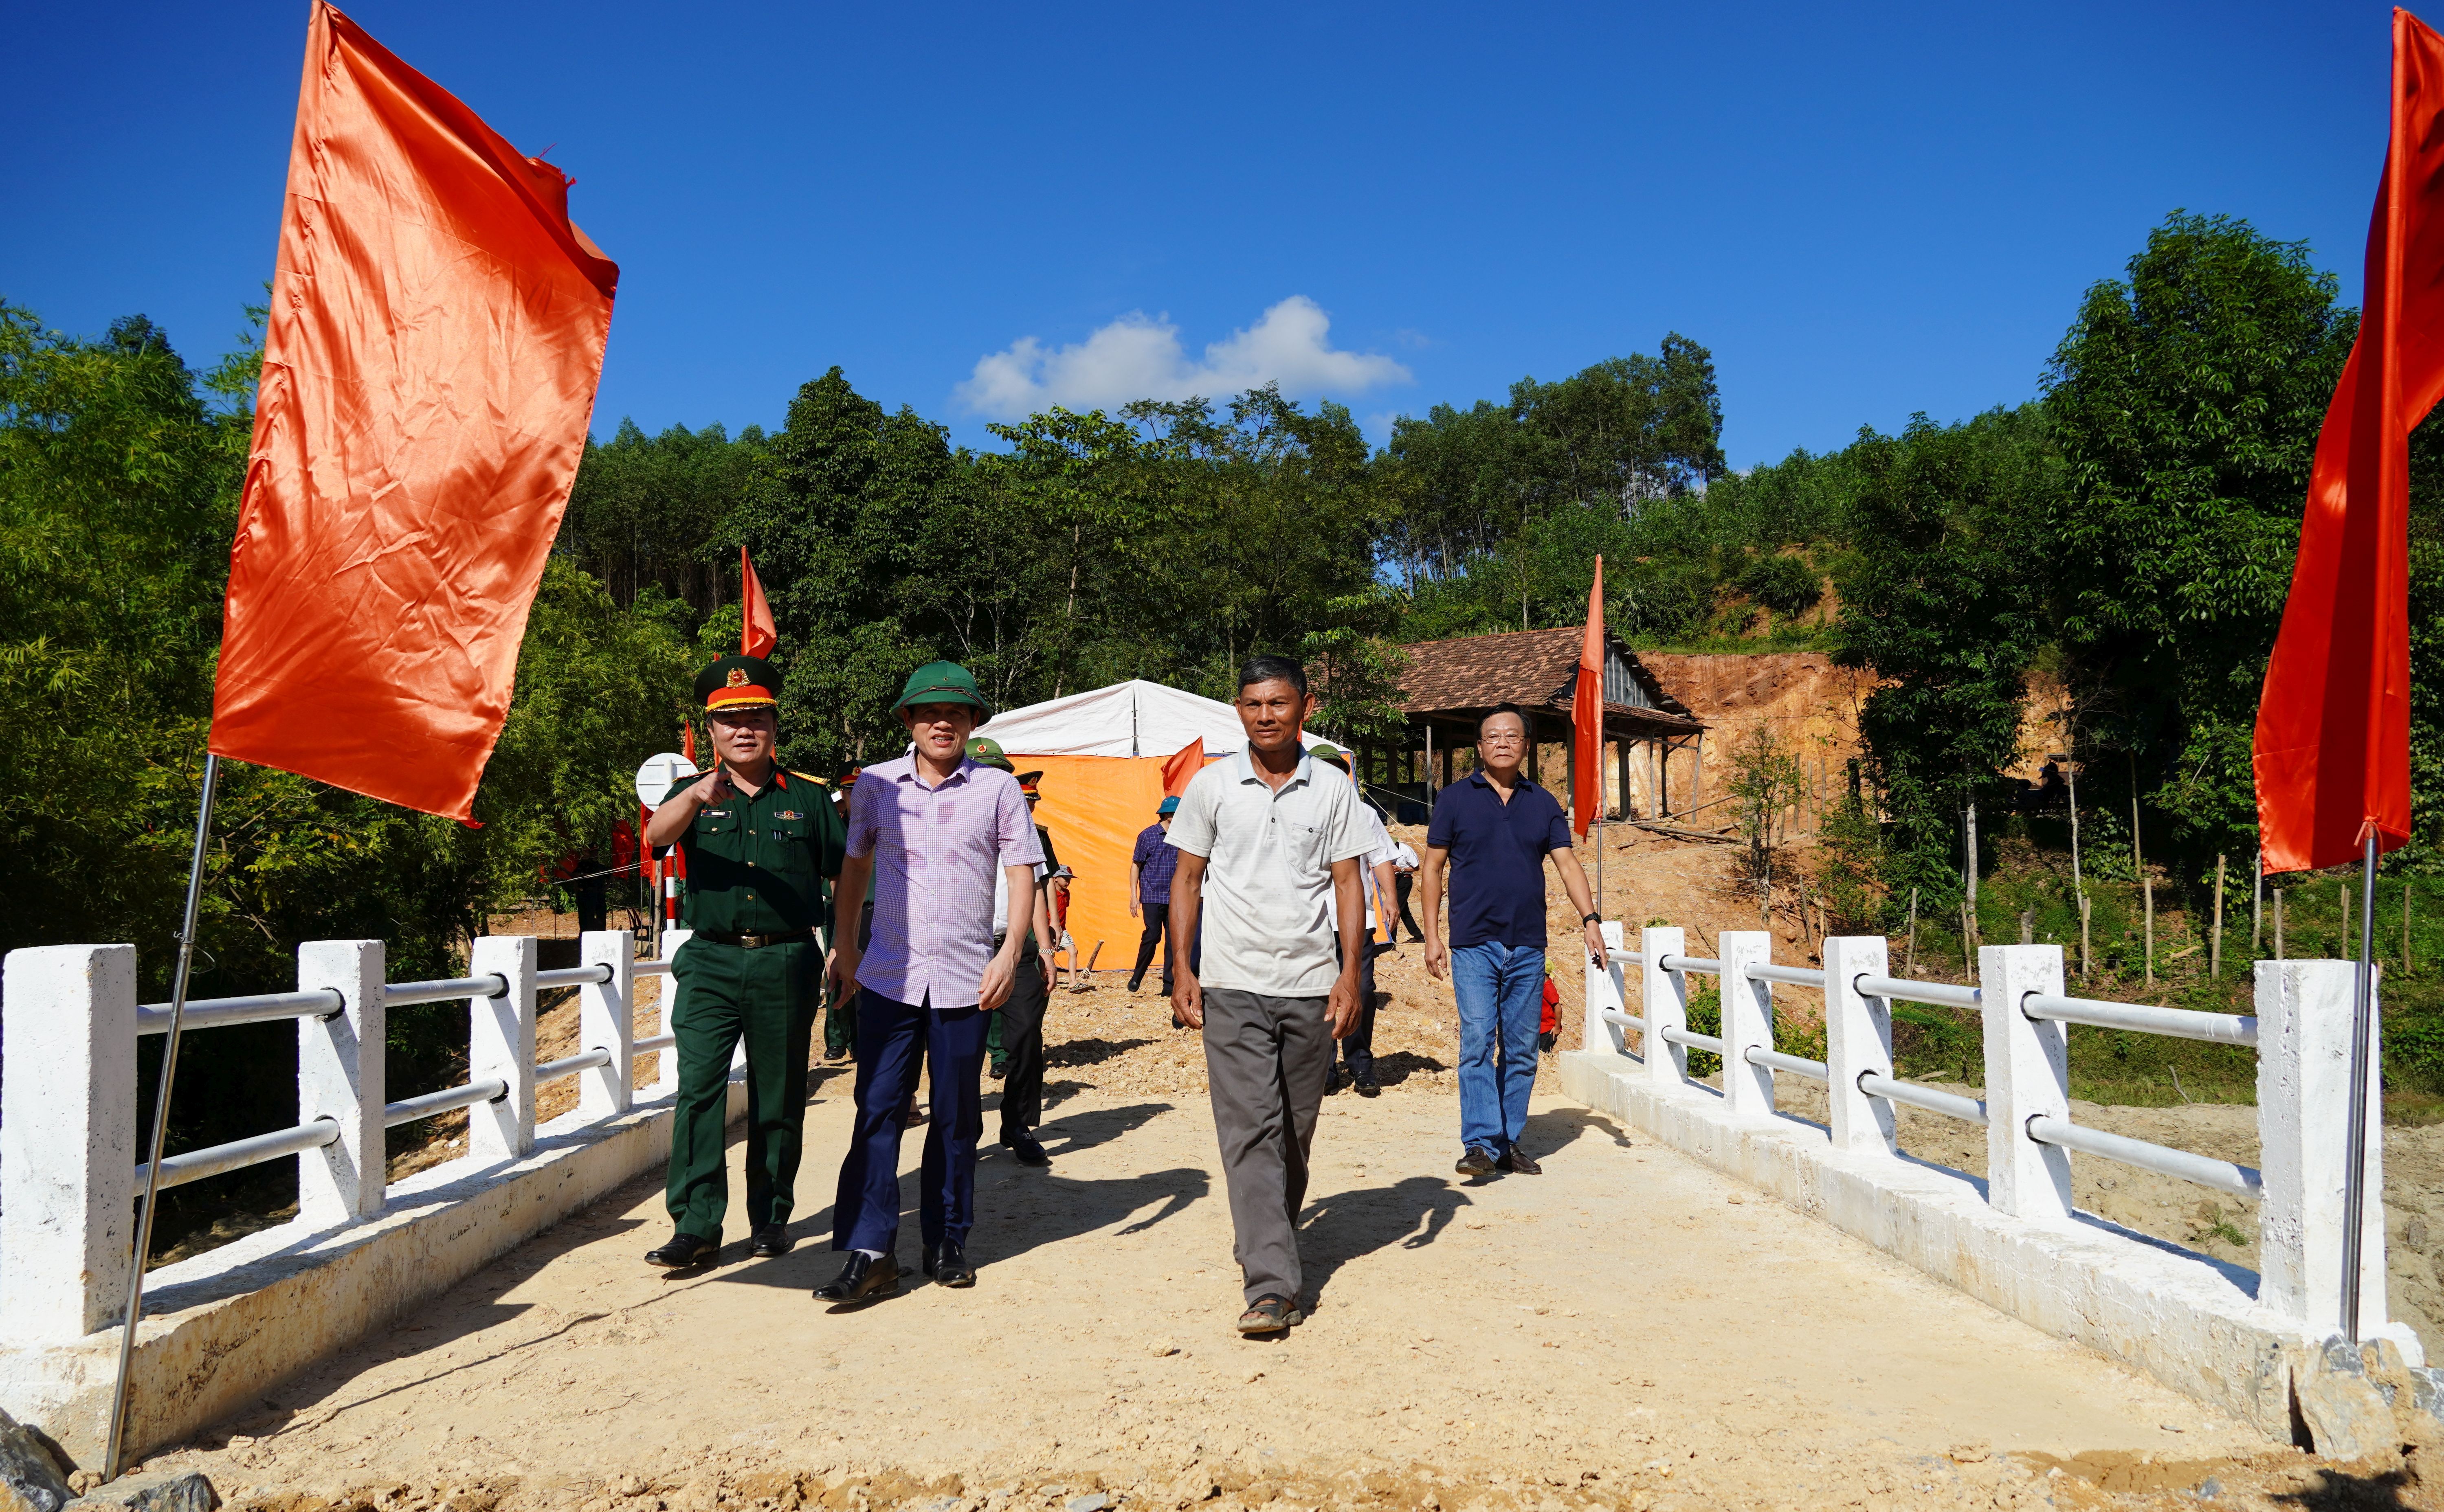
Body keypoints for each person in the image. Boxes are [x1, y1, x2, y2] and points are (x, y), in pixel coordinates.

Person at [817, 662, 1042, 1303]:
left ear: (973, 723)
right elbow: (854, 866)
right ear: (908, 722)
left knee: (956, 1114)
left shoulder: (997, 789)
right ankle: (869, 1249)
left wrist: (1011, 952)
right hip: (890, 975)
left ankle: (947, 1240)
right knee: (877, 1109)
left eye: (957, 713)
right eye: (928, 713)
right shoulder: (877, 786)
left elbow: (1024, 871)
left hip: (969, 980)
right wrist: (846, 945)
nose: (942, 722)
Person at [1168, 656, 1369, 1336]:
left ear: (1304, 706)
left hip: (1312, 984)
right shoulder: (1211, 786)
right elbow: (1187, 880)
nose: (1265, 714)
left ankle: (1266, 1232)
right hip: (1231, 982)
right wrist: (1182, 967)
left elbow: (1349, 883)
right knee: (1250, 1127)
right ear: (1238, 709)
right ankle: (1272, 1283)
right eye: (1252, 703)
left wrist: (1352, 973)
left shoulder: (1334, 788)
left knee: (1294, 1129)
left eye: (1278, 702)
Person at [639, 654, 845, 1269]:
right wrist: (699, 794)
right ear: (712, 732)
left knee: (778, 1094)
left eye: (756, 717)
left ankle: (771, 1218)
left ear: (775, 726)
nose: (744, 729)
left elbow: (849, 871)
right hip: (710, 962)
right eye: (730, 721)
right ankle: (697, 1224)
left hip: (785, 959)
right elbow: (655, 838)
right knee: (698, 1091)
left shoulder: (808, 800)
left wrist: (847, 945)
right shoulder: (691, 795)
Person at [1420, 703, 1608, 1179]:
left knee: (1523, 1046)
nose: (1503, 742)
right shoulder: (1455, 799)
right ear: (1479, 746)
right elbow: (1432, 868)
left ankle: (1508, 1141)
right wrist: (1432, 935)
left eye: (1512, 735)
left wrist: (1591, 919)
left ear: (1526, 746)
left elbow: (1567, 863)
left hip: (1528, 943)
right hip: (1473, 942)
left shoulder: (1542, 803)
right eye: (1493, 735)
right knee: (1479, 1039)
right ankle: (1480, 1144)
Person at [968, 738, 1059, 1168]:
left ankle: (1017, 1123)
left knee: (1025, 1037)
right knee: (962, 1044)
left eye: (1000, 772)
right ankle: (963, 1129)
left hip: (1017, 946)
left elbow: (1037, 887)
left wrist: (1045, 948)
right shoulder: (950, 817)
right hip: (964, 949)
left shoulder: (1023, 823)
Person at [1307, 745, 1399, 1099]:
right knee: (1319, 995)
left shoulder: (1363, 814)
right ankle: (1325, 1069)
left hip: (1356, 919)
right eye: (1322, 769)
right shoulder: (1302, 813)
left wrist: (1390, 898)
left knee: (1361, 990)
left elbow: (1381, 859)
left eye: (1336, 769)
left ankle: (1361, 1065)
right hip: (1313, 921)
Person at [821, 768, 865, 1064]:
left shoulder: (884, 825)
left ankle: (862, 1038)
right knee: (836, 968)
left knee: (866, 977)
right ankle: (837, 1038)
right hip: (838, 908)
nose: (855, 797)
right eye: (850, 791)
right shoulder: (834, 827)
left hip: (874, 909)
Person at [1126, 796, 1182, 995]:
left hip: (1175, 896)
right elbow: (1136, 865)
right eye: (1178, 813)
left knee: (1173, 939)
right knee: (1152, 935)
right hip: (1151, 894)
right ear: (1168, 815)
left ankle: (1169, 984)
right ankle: (1138, 975)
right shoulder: (1148, 836)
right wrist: (1134, 895)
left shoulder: (1183, 835)